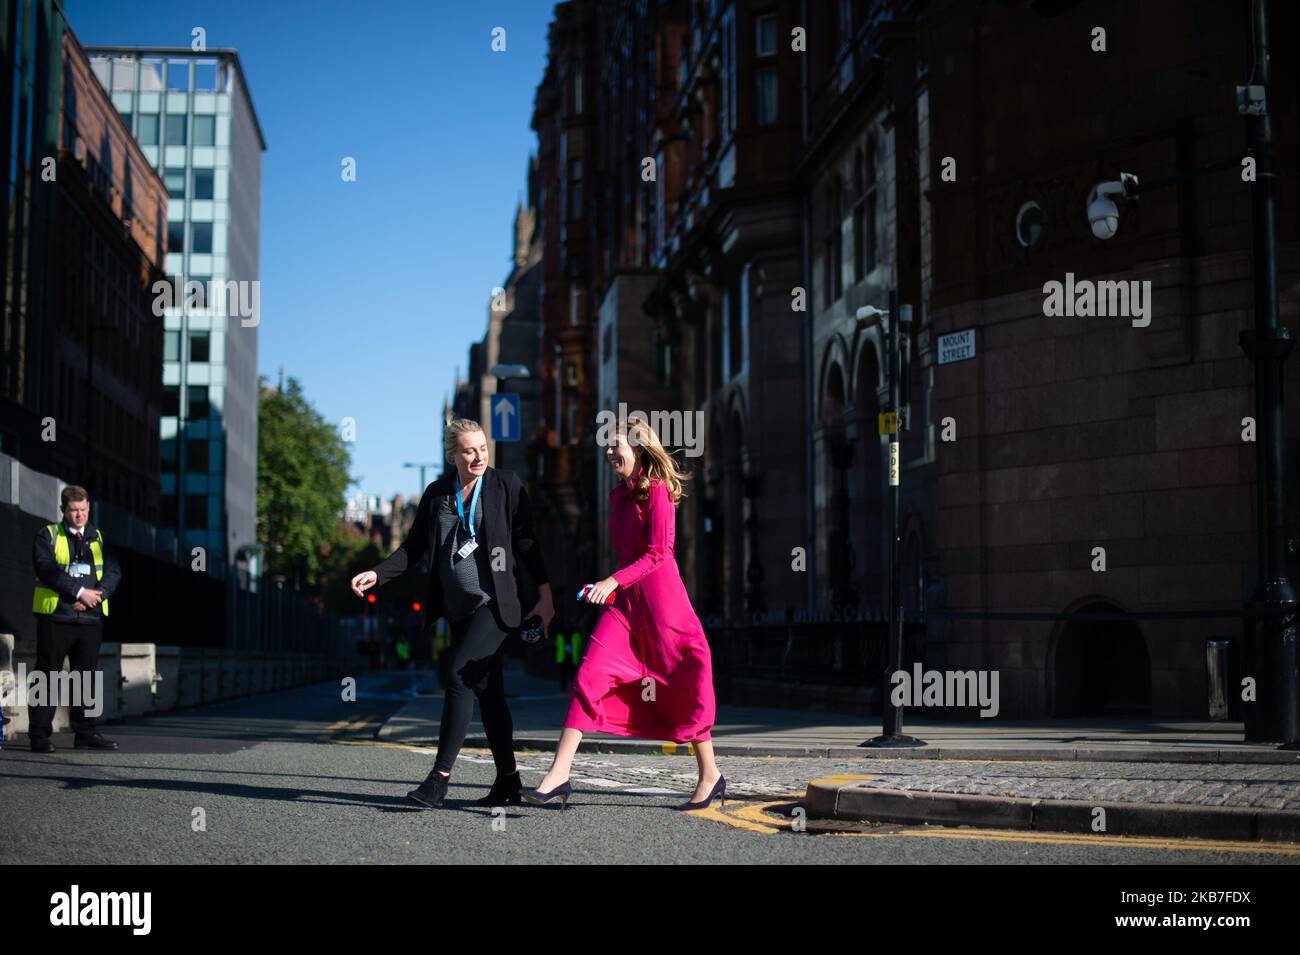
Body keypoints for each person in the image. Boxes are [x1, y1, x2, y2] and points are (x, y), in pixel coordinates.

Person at [351, 417, 553, 808]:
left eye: (482, 448)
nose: (477, 456)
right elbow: (413, 549)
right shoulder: (438, 494)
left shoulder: (505, 485)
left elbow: (527, 543)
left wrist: (545, 597)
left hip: (494, 605)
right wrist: (377, 573)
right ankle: (509, 782)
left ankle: (438, 779)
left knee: (459, 676)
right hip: (459, 610)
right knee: (490, 695)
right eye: (468, 450)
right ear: (452, 455)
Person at [523, 415, 721, 811]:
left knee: (679, 682)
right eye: (608, 446)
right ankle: (559, 774)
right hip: (626, 604)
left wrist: (612, 581)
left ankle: (710, 774)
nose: (610, 452)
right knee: (589, 673)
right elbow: (628, 553)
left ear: (639, 447)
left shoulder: (659, 491)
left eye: (616, 445)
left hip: (662, 601)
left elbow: (659, 553)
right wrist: (610, 585)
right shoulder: (617, 495)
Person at [29, 485, 121, 752]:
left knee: (87, 677)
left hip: (90, 619)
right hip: (56, 616)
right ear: (63, 510)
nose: (79, 515)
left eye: (83, 510)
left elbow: (113, 572)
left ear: (89, 508)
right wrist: (79, 591)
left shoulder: (100, 538)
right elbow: (46, 568)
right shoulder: (47, 535)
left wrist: (97, 595)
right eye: (73, 510)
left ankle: (86, 733)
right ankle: (39, 735)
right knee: (47, 675)